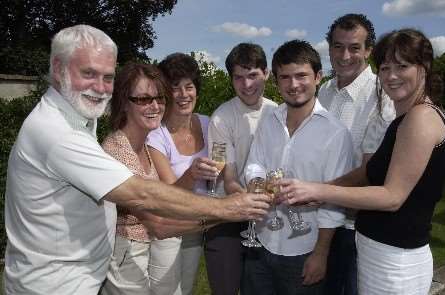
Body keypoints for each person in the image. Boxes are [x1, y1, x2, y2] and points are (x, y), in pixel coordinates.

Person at [3, 24, 270, 295]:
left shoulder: (80, 121)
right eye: (88, 73)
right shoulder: (58, 134)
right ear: (58, 69)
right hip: (55, 285)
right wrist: (229, 209)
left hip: (81, 275)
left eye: (107, 77)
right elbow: (148, 201)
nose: (99, 87)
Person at [279, 29, 445, 295]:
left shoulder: (421, 119)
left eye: (402, 66)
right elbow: (369, 172)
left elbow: (392, 196)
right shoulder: (404, 118)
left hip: (396, 263)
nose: (391, 76)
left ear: (424, 68)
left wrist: (317, 190)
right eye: (385, 67)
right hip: (379, 253)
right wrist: (322, 190)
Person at [242, 39, 353, 295]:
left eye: (301, 76)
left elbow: (334, 202)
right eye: (285, 77)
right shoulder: (269, 121)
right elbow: (254, 163)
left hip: (304, 250)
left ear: (318, 77)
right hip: (261, 239)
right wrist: (258, 183)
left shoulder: (336, 134)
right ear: (276, 81)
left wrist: (321, 254)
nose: (293, 85)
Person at [100, 63, 215, 294]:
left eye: (159, 98)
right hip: (125, 250)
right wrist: (226, 214)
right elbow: (159, 222)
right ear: (124, 102)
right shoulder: (117, 150)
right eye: (143, 99)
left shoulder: (143, 142)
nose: (154, 106)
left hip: (151, 244)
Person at [318, 13, 395, 295]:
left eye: (354, 47)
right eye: (338, 46)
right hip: (319, 220)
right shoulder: (323, 92)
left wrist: (319, 191)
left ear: (369, 51)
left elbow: (373, 169)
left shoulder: (382, 96)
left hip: (355, 227)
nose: (345, 55)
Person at [206, 42, 278, 295]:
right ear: (231, 79)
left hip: (269, 214)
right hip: (228, 214)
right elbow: (229, 178)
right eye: (239, 77)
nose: (246, 85)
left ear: (266, 73)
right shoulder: (220, 119)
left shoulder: (278, 113)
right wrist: (249, 200)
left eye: (253, 75)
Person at [147, 53, 213, 294]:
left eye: (189, 86)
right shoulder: (156, 134)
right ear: (165, 92)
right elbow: (168, 195)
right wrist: (192, 174)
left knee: (185, 289)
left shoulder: (208, 123)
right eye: (176, 88)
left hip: (198, 225)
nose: (184, 95)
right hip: (168, 228)